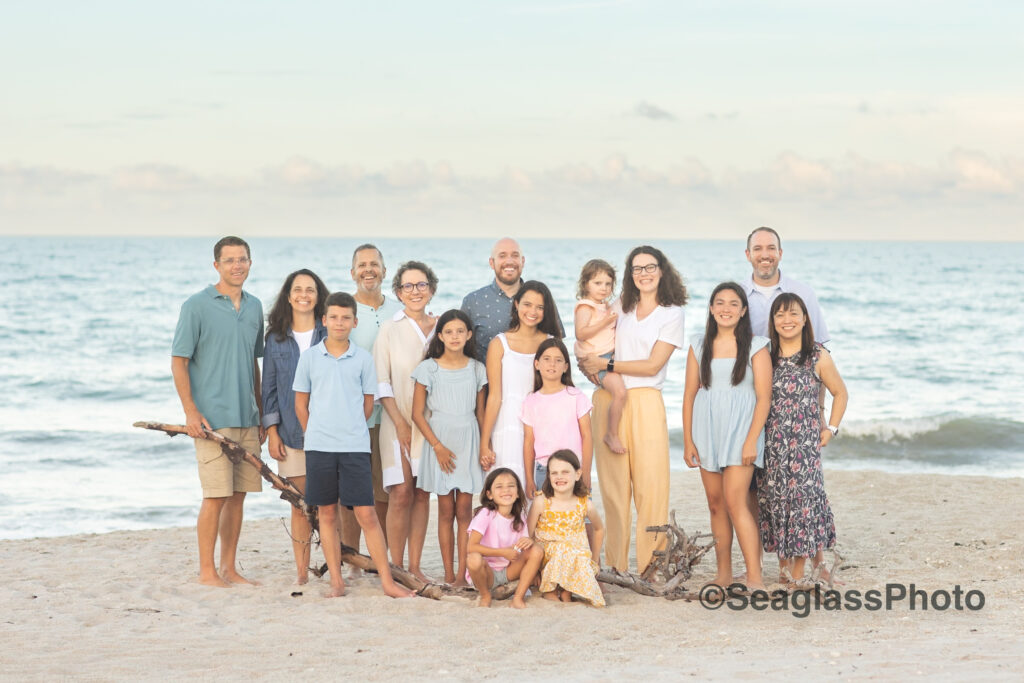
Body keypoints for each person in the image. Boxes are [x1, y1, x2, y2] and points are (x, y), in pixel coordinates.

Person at [292, 291, 414, 599]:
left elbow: (368, 403)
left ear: (354, 322)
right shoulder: (309, 358)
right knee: (328, 514)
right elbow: (300, 405)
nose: (339, 322)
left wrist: (349, 429)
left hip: (354, 446)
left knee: (366, 513)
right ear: (324, 321)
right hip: (320, 447)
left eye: (346, 317)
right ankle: (337, 581)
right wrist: (315, 433)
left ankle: (387, 581)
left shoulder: (362, 358)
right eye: (333, 317)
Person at [579, 245, 687, 574]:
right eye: (637, 268)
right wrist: (587, 365)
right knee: (613, 490)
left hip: (645, 401)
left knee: (651, 487)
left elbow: (654, 365)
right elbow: (588, 338)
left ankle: (651, 568)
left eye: (650, 267)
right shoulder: (619, 307)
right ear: (630, 274)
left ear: (662, 270)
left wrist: (606, 363)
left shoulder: (672, 313)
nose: (643, 273)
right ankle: (615, 566)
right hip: (608, 398)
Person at [171, 236, 266, 588]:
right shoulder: (196, 305)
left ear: (250, 263)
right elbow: (179, 362)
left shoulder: (255, 307)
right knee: (215, 496)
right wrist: (191, 412)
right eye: (229, 260)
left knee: (238, 497)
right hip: (211, 419)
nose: (237, 266)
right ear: (217, 265)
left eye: (242, 259)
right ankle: (206, 571)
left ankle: (229, 568)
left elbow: (253, 363)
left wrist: (260, 412)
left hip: (247, 417)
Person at [683, 282, 772, 591]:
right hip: (706, 428)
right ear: (710, 308)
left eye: (733, 303)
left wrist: (751, 440)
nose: (726, 308)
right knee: (716, 503)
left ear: (743, 310)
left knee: (736, 501)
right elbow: (689, 395)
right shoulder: (698, 345)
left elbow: (764, 398)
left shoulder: (757, 345)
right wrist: (688, 441)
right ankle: (723, 574)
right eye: (719, 303)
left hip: (741, 431)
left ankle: (754, 578)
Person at [757, 293, 848, 586]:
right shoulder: (764, 355)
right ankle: (784, 571)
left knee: (802, 503)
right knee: (776, 503)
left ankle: (798, 574)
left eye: (794, 314)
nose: (787, 320)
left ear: (805, 318)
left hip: (804, 445)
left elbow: (840, 393)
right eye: (780, 315)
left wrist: (831, 428)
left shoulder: (817, 354)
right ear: (772, 321)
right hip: (771, 442)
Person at [261, 268, 329, 584]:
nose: (304, 294)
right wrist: (272, 431)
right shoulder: (275, 338)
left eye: (310, 289)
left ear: (319, 296)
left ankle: (336, 568)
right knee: (301, 505)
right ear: (289, 296)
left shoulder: (330, 332)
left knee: (331, 506)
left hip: (330, 433)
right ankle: (302, 573)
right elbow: (269, 389)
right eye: (298, 289)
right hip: (290, 434)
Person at [410, 309, 488, 586]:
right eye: (449, 332)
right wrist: (437, 447)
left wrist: (484, 447)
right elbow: (417, 414)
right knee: (445, 509)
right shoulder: (428, 368)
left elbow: (480, 412)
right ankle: (448, 574)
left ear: (468, 335)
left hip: (468, 439)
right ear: (440, 336)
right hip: (439, 441)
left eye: (460, 331)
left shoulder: (477, 369)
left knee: (465, 509)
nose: (455, 337)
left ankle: (464, 575)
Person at [374, 261, 438, 581]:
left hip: (431, 425)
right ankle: (396, 566)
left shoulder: (442, 328)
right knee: (400, 492)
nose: (415, 291)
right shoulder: (390, 328)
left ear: (432, 288)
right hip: (396, 420)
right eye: (408, 286)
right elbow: (381, 382)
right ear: (398, 292)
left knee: (423, 493)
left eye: (421, 284)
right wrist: (399, 422)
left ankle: (415, 566)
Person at [343, 244, 403, 566]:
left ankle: (382, 560)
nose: (369, 270)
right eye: (362, 265)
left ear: (384, 269)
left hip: (390, 415)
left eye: (375, 264)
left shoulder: (398, 310)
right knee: (350, 495)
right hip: (353, 416)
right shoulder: (343, 310)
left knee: (383, 491)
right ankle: (350, 557)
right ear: (352, 272)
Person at [479, 281, 562, 484]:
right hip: (506, 425)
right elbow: (494, 397)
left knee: (541, 488)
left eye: (540, 307)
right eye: (527, 304)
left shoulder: (551, 343)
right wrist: (484, 442)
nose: (532, 311)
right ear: (516, 304)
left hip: (542, 426)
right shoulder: (499, 344)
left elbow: (559, 393)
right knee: (507, 489)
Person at [460, 237, 564, 364]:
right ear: (492, 263)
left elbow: (558, 347)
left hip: (535, 382)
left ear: (523, 261)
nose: (509, 261)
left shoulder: (542, 299)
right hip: (486, 382)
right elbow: (458, 349)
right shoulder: (473, 301)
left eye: (515, 255)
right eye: (502, 256)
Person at [525, 450, 605, 606]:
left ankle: (566, 592)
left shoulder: (584, 503)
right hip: (548, 555)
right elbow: (528, 534)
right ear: (548, 476)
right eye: (554, 473)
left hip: (576, 554)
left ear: (577, 474)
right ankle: (550, 591)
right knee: (564, 548)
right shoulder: (541, 501)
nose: (559, 477)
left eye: (565, 472)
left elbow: (599, 529)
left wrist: (595, 559)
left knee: (579, 553)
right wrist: (533, 567)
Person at [521, 338, 593, 499]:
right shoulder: (530, 401)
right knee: (548, 521)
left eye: (558, 360)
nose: (552, 364)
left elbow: (587, 436)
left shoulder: (576, 396)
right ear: (537, 364)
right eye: (547, 359)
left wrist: (586, 472)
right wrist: (529, 479)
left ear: (566, 367)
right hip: (544, 471)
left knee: (582, 519)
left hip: (574, 470)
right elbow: (528, 442)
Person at [465, 468, 541, 608]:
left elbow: (523, 549)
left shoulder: (521, 519)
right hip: (486, 573)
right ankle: (485, 595)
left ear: (518, 492)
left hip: (509, 571)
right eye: (499, 487)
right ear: (489, 494)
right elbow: (471, 547)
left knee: (536, 550)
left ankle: (518, 598)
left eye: (511, 486)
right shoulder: (485, 514)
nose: (506, 490)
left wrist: (529, 542)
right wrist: (503, 552)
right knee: (473, 558)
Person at [573, 259, 628, 455]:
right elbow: (581, 333)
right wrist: (605, 322)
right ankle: (611, 434)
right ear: (585, 284)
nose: (603, 288)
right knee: (620, 393)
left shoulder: (603, 305)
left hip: (608, 356)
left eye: (608, 284)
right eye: (597, 283)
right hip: (598, 359)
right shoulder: (586, 307)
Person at [743, 227, 829, 344]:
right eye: (757, 248)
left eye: (771, 248)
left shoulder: (804, 294)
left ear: (780, 253)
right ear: (748, 254)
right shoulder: (734, 297)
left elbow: (818, 345)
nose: (765, 255)